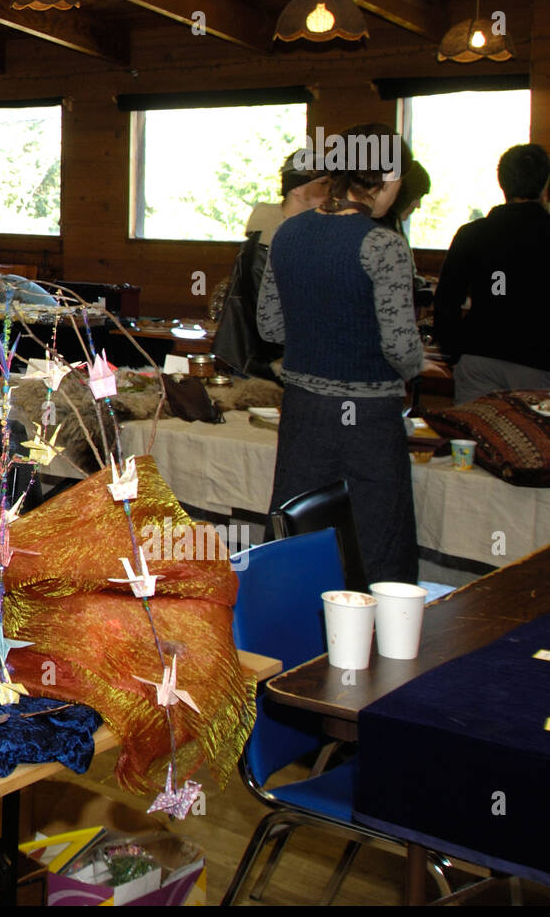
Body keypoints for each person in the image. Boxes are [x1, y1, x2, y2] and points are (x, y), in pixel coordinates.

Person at [258, 125, 424, 586]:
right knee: (377, 542)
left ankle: (288, 638)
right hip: (368, 420)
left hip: (303, 412)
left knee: (297, 531)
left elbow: (270, 327)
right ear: (387, 178)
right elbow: (400, 347)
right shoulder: (383, 244)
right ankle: (373, 649)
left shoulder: (288, 233)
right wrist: (416, 366)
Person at [433, 143, 550, 404]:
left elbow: (446, 301)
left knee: (474, 440)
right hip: (538, 364)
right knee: (530, 443)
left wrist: (454, 352)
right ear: (545, 185)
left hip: (478, 357)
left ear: (502, 183)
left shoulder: (472, 233)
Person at [215, 151, 331, 379]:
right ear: (297, 188)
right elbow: (266, 313)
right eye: (324, 183)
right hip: (262, 366)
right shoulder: (268, 242)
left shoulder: (294, 235)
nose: (331, 192)